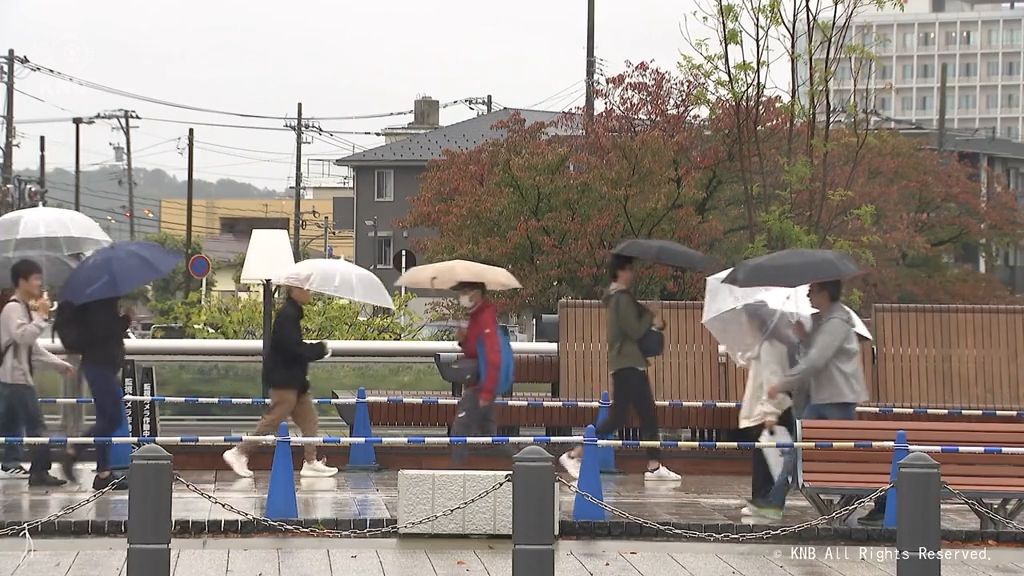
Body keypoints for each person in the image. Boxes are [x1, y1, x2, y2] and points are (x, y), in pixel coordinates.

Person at [747, 279, 868, 518]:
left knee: (849, 457)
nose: (808, 295)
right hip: (821, 398)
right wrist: (804, 338)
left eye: (812, 290)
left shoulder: (836, 321)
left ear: (824, 292)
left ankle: (879, 501)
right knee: (796, 450)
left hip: (837, 398)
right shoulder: (823, 320)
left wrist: (782, 384)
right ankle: (774, 501)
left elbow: (815, 361)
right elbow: (815, 353)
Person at [559, 254, 681, 481]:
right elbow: (634, 330)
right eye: (630, 270)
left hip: (629, 363)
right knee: (622, 417)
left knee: (645, 415)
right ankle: (575, 454)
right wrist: (649, 317)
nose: (632, 274)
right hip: (627, 364)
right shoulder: (621, 299)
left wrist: (651, 318)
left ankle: (654, 465)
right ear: (622, 271)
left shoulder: (619, 299)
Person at [222, 285, 337, 478]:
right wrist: (320, 349)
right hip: (285, 381)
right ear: (293, 291)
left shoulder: (292, 314)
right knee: (273, 420)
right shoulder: (287, 316)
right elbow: (293, 349)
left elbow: (294, 348)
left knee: (310, 420)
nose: (310, 291)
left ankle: (310, 462)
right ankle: (239, 451)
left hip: (295, 382)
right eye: (305, 288)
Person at [0, 260, 74, 486]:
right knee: (37, 427)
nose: (39, 284)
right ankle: (39, 471)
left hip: (16, 380)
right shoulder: (13, 309)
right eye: (35, 279)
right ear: (22, 282)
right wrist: (42, 316)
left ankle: (21, 465)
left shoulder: (22, 308)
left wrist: (59, 365)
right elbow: (25, 337)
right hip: (15, 381)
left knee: (11, 426)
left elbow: (33, 350)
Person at [62, 297, 132, 490]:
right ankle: (74, 451)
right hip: (99, 367)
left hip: (102, 367)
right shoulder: (100, 302)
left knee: (106, 419)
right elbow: (104, 332)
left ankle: (103, 474)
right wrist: (125, 320)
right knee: (112, 419)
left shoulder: (101, 301)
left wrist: (123, 319)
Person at [734, 303, 798, 513]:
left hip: (771, 413)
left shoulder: (770, 346)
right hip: (775, 410)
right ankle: (767, 503)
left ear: (756, 320)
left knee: (767, 462)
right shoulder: (772, 343)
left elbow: (773, 381)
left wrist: (769, 414)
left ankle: (765, 503)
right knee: (771, 461)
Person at [449, 282, 501, 466]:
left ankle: (456, 476)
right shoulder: (477, 317)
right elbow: (475, 350)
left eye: (465, 292)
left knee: (459, 432)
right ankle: (522, 464)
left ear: (476, 293)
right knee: (489, 438)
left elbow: (492, 356)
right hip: (479, 384)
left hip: (480, 385)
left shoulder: (484, 318)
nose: (462, 296)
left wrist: (486, 392)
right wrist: (463, 340)